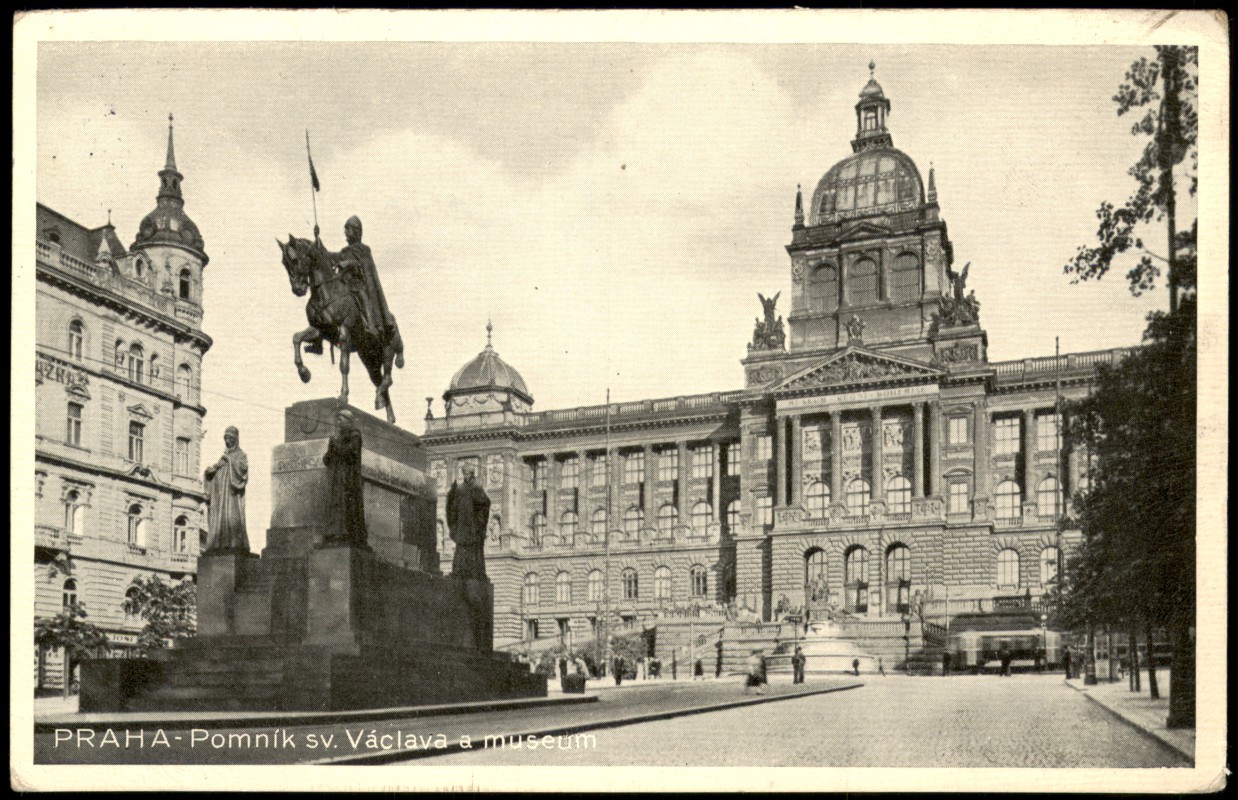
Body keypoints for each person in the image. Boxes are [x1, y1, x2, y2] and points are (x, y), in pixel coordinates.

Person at [333, 215, 399, 344]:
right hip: (345, 287)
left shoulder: (364, 250)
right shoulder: (344, 251)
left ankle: (371, 326)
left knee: (363, 296)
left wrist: (347, 264)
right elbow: (330, 258)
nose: (345, 232)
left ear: (357, 232)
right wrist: (318, 242)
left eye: (348, 229)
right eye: (345, 229)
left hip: (360, 285)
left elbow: (361, 265)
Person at [323, 410, 367, 547]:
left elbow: (349, 452)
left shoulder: (355, 435)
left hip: (348, 478)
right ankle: (334, 532)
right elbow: (326, 459)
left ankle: (345, 533)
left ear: (348, 421)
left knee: (347, 506)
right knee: (336, 504)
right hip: (337, 478)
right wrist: (330, 451)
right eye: (338, 420)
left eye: (341, 420)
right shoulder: (337, 437)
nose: (338, 423)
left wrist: (335, 445)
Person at [204, 426, 249, 553]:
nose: (227, 440)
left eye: (230, 438)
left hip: (231, 496)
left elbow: (242, 471)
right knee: (219, 519)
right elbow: (215, 470)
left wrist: (228, 461)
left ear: (235, 439)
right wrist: (210, 472)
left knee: (231, 518)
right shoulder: (223, 457)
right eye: (225, 438)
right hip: (219, 496)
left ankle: (233, 543)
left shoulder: (241, 455)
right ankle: (218, 543)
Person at [446, 465, 491, 579]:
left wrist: (479, 520)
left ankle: (475, 572)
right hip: (462, 523)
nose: (465, 476)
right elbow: (454, 506)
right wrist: (451, 495)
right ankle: (458, 571)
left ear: (472, 474)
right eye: (464, 473)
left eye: (467, 473)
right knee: (460, 547)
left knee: (474, 548)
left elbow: (486, 503)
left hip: (473, 525)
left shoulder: (477, 487)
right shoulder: (460, 489)